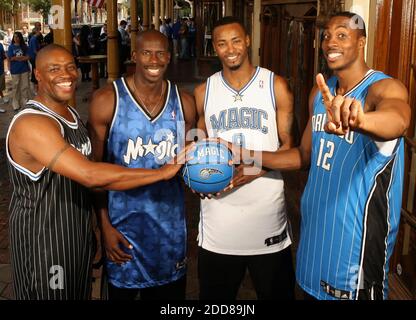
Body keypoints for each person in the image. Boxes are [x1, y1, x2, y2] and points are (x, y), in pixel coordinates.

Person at [6, 44, 190, 300]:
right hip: (45, 243)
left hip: (75, 235)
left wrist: (96, 227)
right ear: (37, 74)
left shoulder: (69, 114)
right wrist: (162, 173)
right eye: (54, 69)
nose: (66, 74)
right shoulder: (31, 123)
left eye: (70, 67)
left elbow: (87, 184)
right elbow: (90, 175)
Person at [254, 12, 410, 300]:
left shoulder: (382, 88)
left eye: (341, 34)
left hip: (354, 250)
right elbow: (303, 156)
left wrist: (361, 120)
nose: (329, 42)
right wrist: (245, 155)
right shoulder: (320, 92)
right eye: (326, 35)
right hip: (313, 237)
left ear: (361, 41)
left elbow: (398, 119)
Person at [88, 30, 195, 300]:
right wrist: (104, 228)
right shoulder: (106, 100)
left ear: (169, 57)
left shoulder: (184, 103)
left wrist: (208, 179)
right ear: (134, 55)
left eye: (160, 53)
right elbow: (94, 172)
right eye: (146, 52)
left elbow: (190, 163)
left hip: (169, 231)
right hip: (123, 232)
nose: (154, 59)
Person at [193, 16, 295, 300]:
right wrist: (194, 177)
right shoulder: (204, 92)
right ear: (214, 47)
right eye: (222, 43)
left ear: (248, 40)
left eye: (236, 40)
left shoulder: (276, 86)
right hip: (218, 228)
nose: (230, 49)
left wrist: (252, 170)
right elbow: (196, 149)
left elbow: (290, 150)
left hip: (268, 224)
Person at [7, 32, 31, 112]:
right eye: (15, 37)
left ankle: (25, 102)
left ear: (20, 38)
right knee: (15, 87)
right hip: (15, 70)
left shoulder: (24, 47)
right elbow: (10, 58)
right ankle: (16, 104)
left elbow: (27, 57)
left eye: (17, 37)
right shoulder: (11, 47)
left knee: (25, 86)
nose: (16, 38)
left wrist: (17, 58)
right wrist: (21, 58)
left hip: (24, 69)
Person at [0, 41, 8, 112]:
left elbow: (3, 56)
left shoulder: (0, 45)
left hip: (1, 70)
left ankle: (3, 97)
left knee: (1, 86)